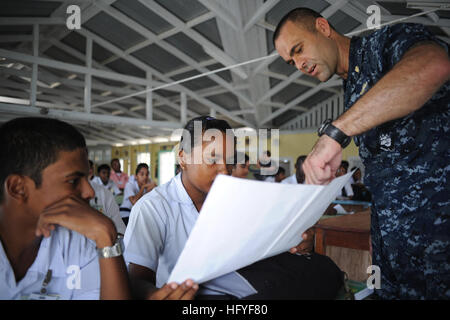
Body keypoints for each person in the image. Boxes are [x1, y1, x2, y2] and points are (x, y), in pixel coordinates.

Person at [273, 7, 450, 299]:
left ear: (323, 27)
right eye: (291, 61)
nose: (300, 64)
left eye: (299, 49)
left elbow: (434, 65)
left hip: (438, 243)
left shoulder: (382, 46)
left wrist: (336, 133)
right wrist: (379, 232)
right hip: (394, 252)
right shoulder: (352, 87)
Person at [124, 116, 343, 300]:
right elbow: (136, 279)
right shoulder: (153, 208)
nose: (224, 170)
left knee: (323, 270)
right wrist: (157, 295)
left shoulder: (231, 196)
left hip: (241, 277)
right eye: (212, 159)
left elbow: (256, 243)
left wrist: (294, 242)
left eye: (229, 161)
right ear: (183, 157)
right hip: (195, 294)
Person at [0, 117, 197, 300]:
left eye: (87, 178)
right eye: (73, 180)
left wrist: (106, 237)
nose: (89, 192)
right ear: (18, 188)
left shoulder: (79, 240)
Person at [88, 160, 126, 235]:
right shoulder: (96, 182)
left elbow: (119, 230)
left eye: (108, 173)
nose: (106, 175)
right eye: (104, 173)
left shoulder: (107, 188)